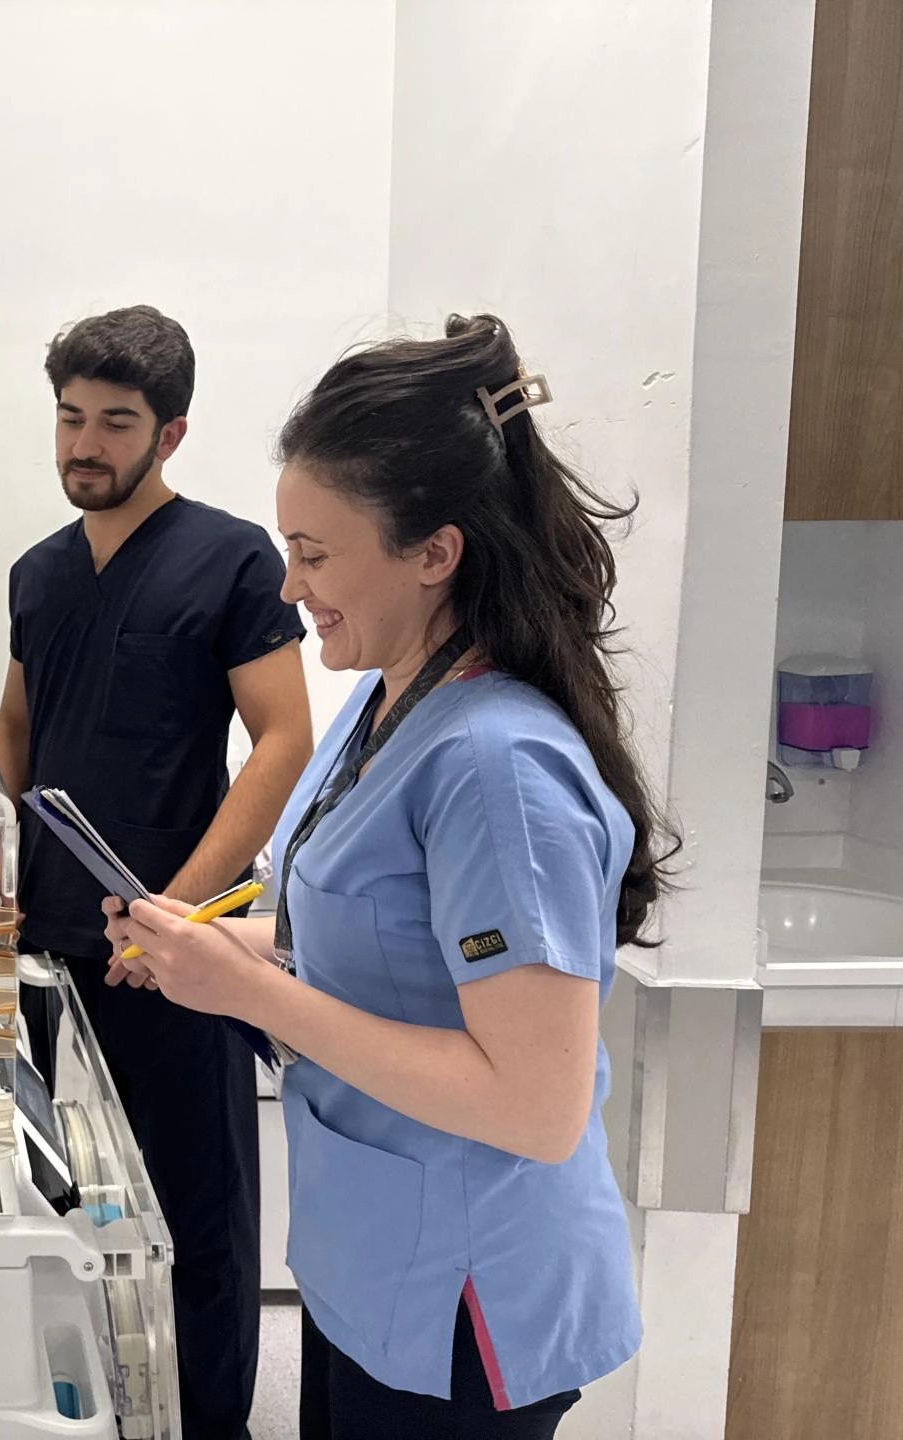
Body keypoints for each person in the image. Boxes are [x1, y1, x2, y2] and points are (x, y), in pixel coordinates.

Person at [107, 314, 673, 1438]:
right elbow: (370, 940)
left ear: (434, 553)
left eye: (315, 555)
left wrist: (253, 993)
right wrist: (212, 946)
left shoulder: (498, 767)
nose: (288, 586)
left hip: (467, 1295)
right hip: (371, 1251)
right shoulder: (385, 701)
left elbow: (536, 1107)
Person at [0, 304, 314, 1439]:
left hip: (180, 956)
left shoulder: (232, 559)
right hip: (53, 945)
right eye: (69, 417)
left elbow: (283, 740)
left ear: (170, 435)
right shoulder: (38, 574)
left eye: (115, 423)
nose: (85, 445)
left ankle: (213, 1424)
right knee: (76, 1196)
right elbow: (17, 728)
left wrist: (184, 914)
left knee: (198, 1215)